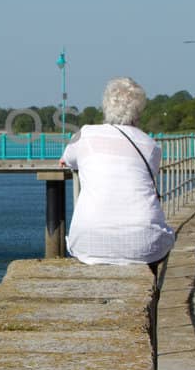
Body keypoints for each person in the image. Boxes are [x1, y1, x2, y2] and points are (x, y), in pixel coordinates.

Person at [59, 77, 176, 270]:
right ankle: (153, 288)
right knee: (157, 243)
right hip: (144, 241)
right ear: (138, 111)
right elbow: (148, 174)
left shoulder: (85, 134)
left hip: (88, 241)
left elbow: (67, 159)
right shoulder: (150, 145)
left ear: (105, 106)